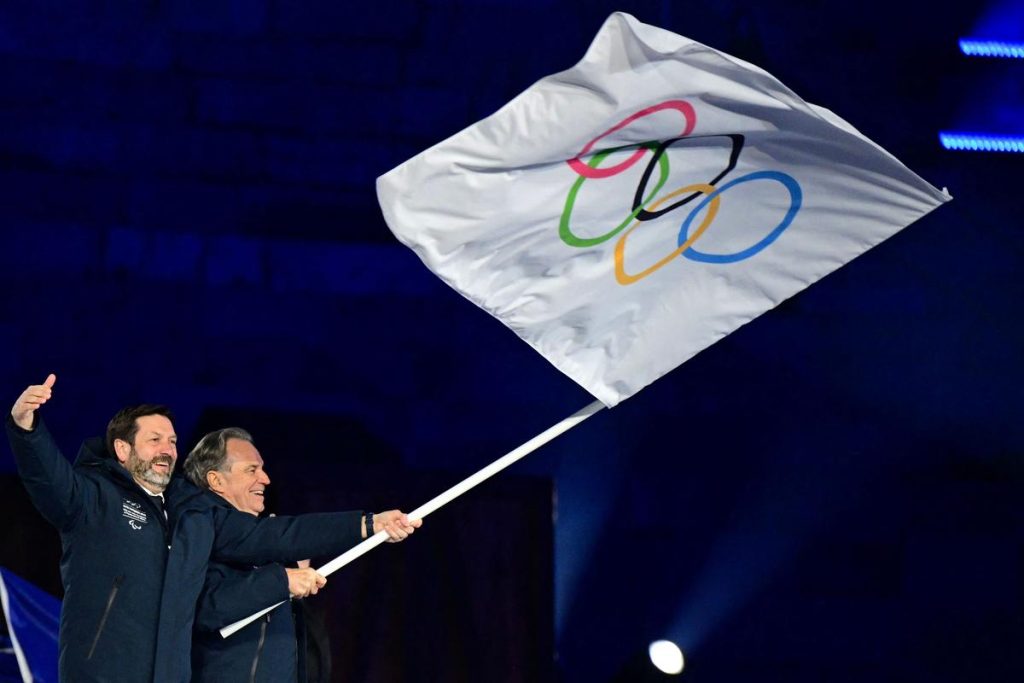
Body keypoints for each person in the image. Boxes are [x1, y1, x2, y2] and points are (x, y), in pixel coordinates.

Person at [5, 374, 418, 683]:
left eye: (171, 441)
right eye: (155, 440)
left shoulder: (194, 513)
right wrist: (26, 428)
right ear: (122, 449)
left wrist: (366, 524)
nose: (167, 450)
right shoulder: (95, 498)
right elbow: (49, 480)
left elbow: (274, 536)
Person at [184, 428, 419, 682]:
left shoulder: (262, 542)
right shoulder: (197, 528)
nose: (265, 478)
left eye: (262, 469)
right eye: (251, 470)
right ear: (216, 480)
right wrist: (281, 581)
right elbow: (204, 608)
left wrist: (372, 524)